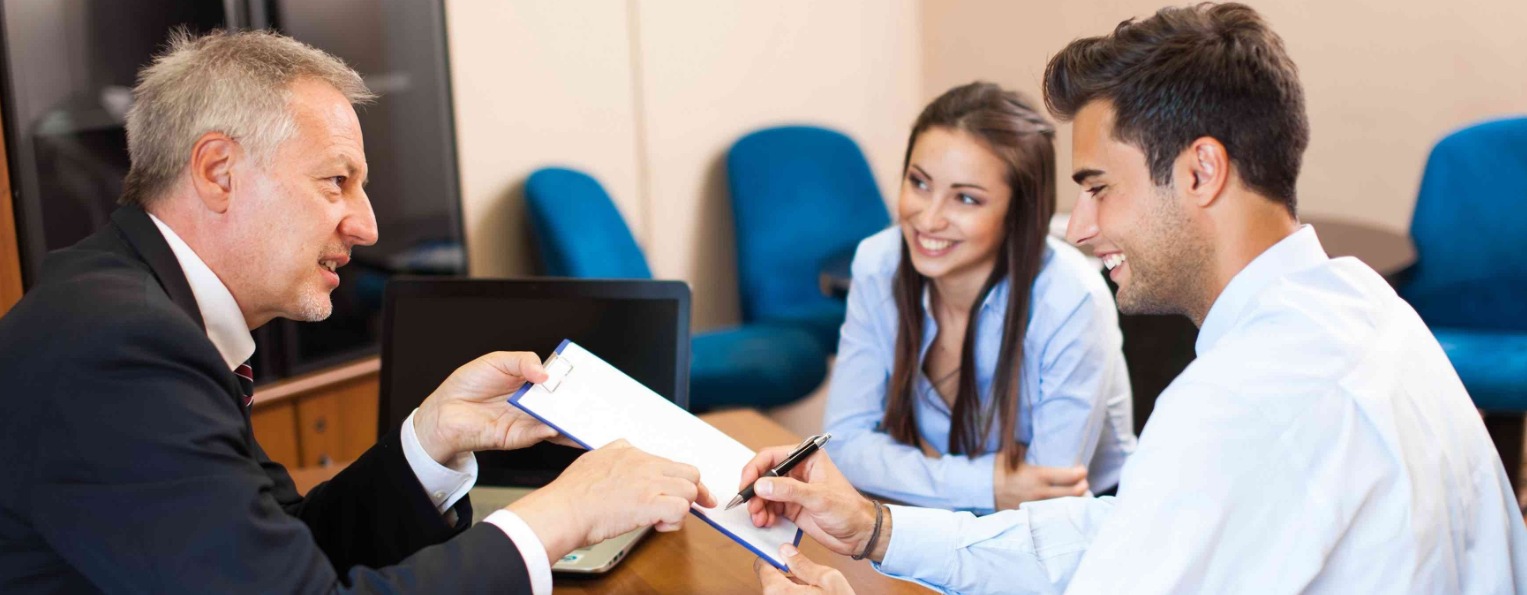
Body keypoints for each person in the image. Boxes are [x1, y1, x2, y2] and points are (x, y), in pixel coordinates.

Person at [744, 4, 1527, 593]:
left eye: (1096, 188)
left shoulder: (1242, 398)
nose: (1078, 228)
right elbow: (1116, 530)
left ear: (1198, 172)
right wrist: (878, 528)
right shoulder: (1360, 308)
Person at [0, 30, 711, 593]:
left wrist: (429, 442)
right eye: (336, 181)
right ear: (219, 172)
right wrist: (559, 514)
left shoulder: (140, 307)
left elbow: (283, 546)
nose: (366, 226)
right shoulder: (118, 345)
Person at [824, 81, 1135, 513]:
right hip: (939, 519)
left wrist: (911, 472)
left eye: (966, 198)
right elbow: (842, 446)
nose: (928, 218)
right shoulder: (879, 263)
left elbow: (1048, 502)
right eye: (919, 183)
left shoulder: (1070, 301)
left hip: (1084, 531)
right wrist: (987, 485)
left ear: (1017, 213)